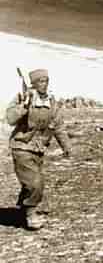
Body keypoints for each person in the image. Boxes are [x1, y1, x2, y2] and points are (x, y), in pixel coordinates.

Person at [6, 69, 72, 230]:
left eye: (46, 80)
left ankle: (23, 209)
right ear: (33, 84)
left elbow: (58, 126)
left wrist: (66, 146)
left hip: (39, 148)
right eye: (40, 81)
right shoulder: (24, 97)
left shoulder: (51, 101)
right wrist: (24, 106)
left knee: (31, 183)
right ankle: (30, 215)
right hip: (21, 147)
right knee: (35, 183)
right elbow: (10, 118)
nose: (44, 84)